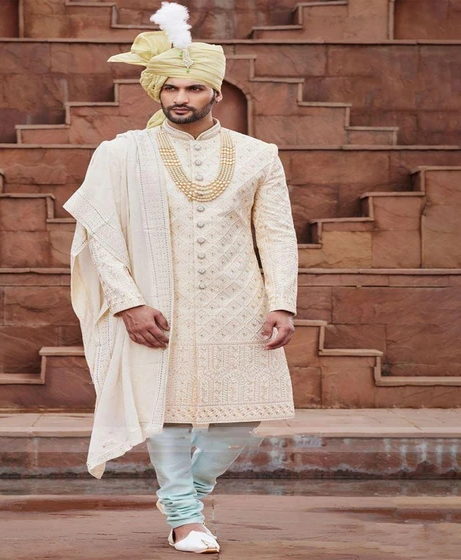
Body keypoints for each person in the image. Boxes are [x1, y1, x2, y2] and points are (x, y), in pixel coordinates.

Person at [63, 2, 298, 553]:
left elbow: (277, 234)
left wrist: (282, 302)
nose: (180, 98)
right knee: (164, 410)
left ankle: (187, 493)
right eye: (170, 88)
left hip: (239, 302)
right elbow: (101, 235)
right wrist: (127, 303)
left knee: (242, 415)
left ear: (217, 93)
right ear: (158, 92)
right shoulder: (123, 153)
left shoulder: (258, 155)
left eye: (193, 88)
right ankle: (185, 518)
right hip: (157, 303)